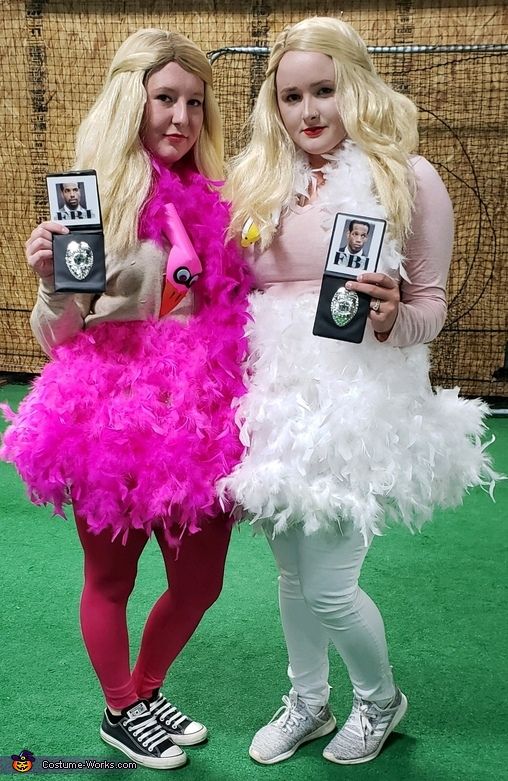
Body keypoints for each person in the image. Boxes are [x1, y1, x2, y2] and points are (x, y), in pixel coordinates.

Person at [220, 16, 499, 767]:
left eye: (325, 90)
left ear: (357, 87)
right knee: (289, 571)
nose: (309, 111)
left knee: (332, 585)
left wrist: (392, 317)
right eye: (291, 96)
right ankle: (308, 700)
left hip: (356, 406)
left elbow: (432, 305)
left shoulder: (405, 177)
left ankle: (379, 700)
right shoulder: (257, 181)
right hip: (274, 402)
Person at [1, 28, 251, 770]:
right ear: (129, 103)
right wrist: (50, 286)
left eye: (195, 104)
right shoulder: (95, 200)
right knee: (111, 577)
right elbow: (59, 333)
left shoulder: (217, 198)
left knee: (200, 582)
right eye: (164, 99)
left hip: (201, 419)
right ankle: (120, 708)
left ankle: (144, 689)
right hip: (110, 416)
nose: (180, 118)